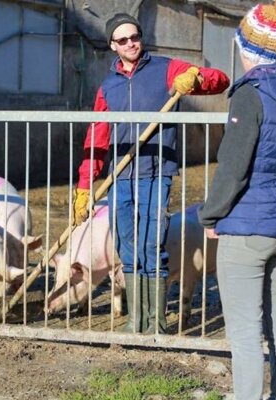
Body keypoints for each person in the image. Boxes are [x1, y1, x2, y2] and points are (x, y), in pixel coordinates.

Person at [194, 0, 276, 400]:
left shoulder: (250, 93)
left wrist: (212, 215)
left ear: (249, 46)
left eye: (241, 42)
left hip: (247, 225)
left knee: (244, 330)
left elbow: (234, 166)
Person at [72, 12, 230, 334]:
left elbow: (221, 80)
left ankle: (155, 323)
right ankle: (135, 321)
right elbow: (96, 138)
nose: (131, 43)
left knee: (151, 245)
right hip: (120, 176)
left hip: (156, 173)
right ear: (112, 45)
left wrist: (195, 79)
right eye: (122, 40)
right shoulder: (108, 87)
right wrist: (85, 187)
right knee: (127, 246)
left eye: (135, 37)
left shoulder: (167, 70)